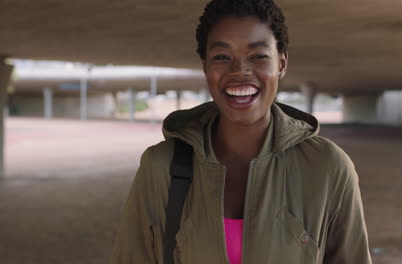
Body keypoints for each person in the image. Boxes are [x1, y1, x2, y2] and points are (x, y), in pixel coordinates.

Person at [110, 0, 372, 263]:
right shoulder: (160, 167)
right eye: (222, 57)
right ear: (205, 66)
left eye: (258, 56)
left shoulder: (327, 167)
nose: (240, 71)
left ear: (281, 63)